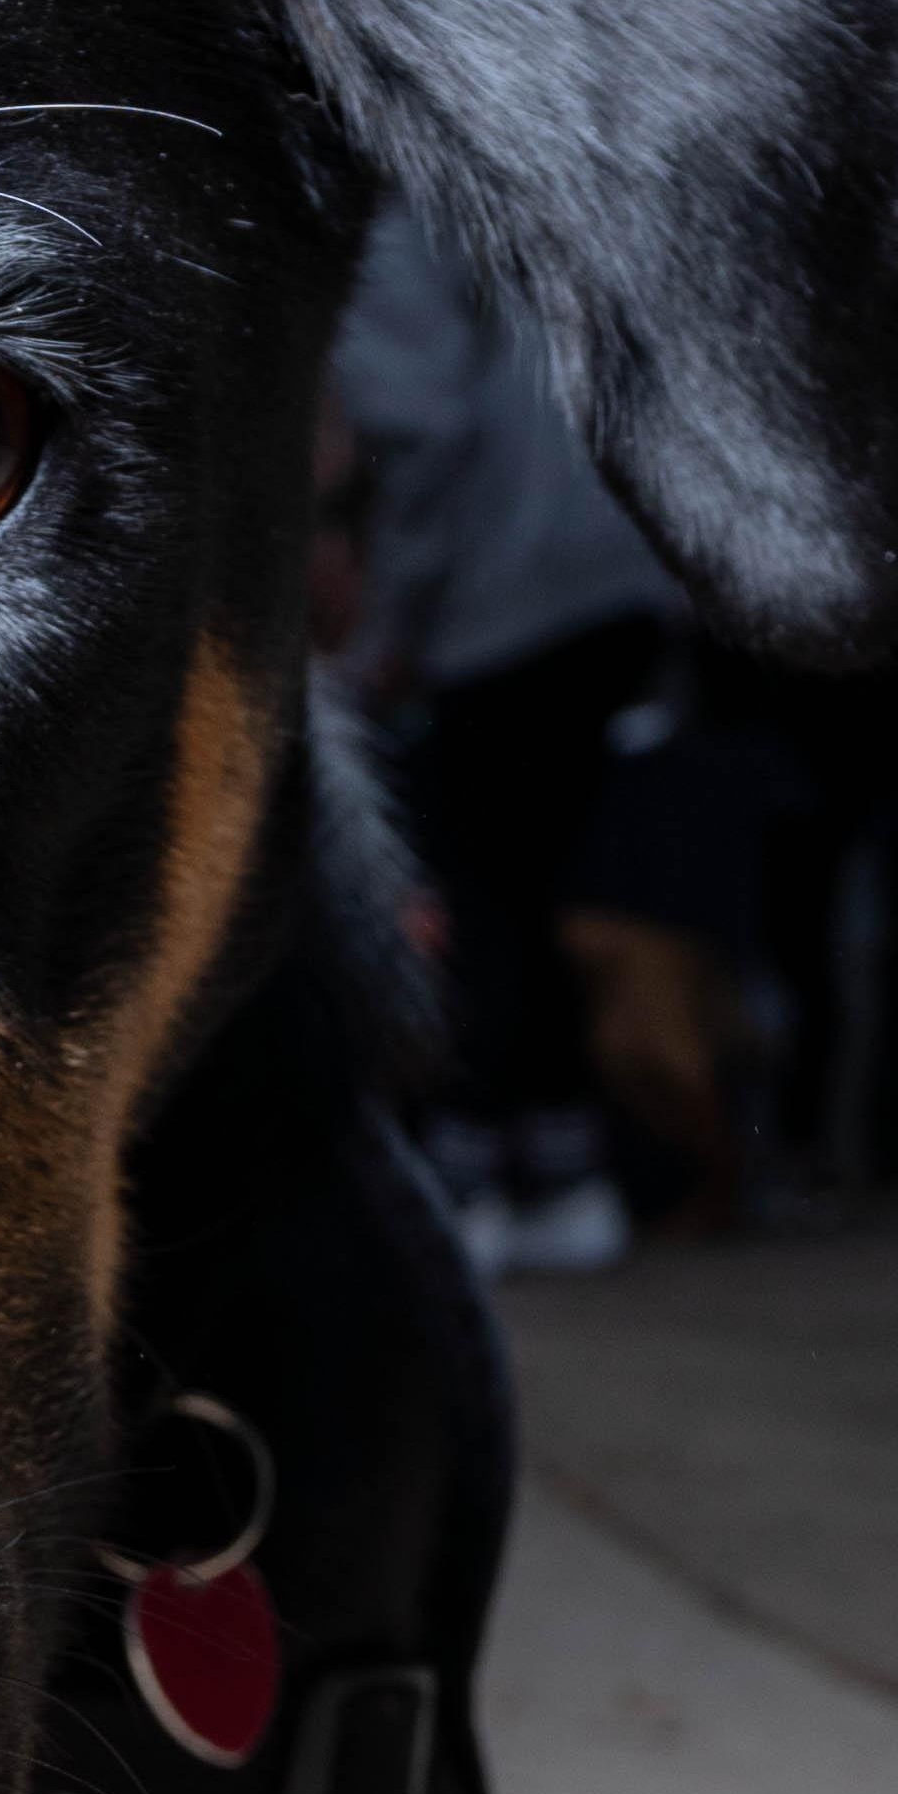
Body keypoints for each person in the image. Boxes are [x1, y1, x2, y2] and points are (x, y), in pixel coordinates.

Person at [330, 200, 687, 1279]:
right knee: (540, 883)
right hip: (625, 563)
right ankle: (563, 1174)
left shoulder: (401, 197)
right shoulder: (543, 156)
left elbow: (416, 424)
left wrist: (390, 628)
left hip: (506, 581)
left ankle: (468, 1177)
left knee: (471, 878)